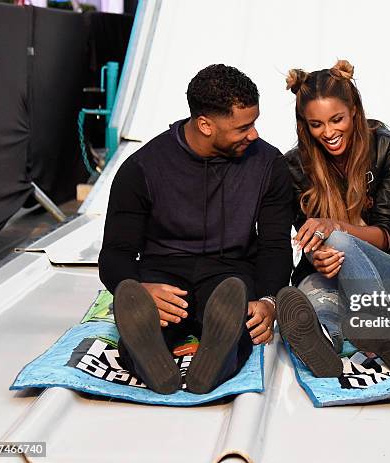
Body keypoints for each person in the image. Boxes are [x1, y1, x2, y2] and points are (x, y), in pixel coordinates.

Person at [99, 64, 293, 395]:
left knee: (237, 317)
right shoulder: (142, 168)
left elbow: (275, 246)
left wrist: (269, 299)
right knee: (147, 323)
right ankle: (149, 361)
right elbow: (116, 253)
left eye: (254, 123)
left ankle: (216, 362)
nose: (254, 134)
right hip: (163, 276)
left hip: (228, 278)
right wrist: (137, 287)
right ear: (204, 125)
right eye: (243, 127)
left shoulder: (269, 164)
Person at [276, 60, 390, 377]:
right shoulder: (295, 166)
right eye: (316, 125)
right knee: (316, 290)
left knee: (337, 238)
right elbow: (308, 234)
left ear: (354, 110)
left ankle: (373, 324)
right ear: (304, 124)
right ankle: (325, 340)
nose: (328, 132)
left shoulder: (389, 148)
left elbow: (387, 234)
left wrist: (335, 230)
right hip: (335, 281)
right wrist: (319, 256)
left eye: (336, 119)